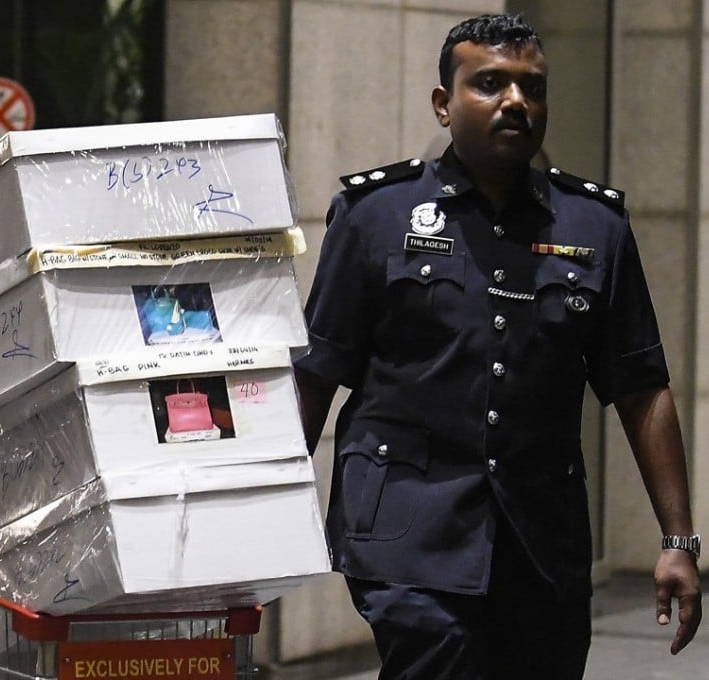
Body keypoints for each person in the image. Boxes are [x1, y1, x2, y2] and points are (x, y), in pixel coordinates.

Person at [295, 13, 702, 679]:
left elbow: (641, 386)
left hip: (544, 543)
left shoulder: (594, 227)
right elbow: (316, 372)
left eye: (531, 88)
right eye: (489, 84)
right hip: (408, 537)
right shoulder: (377, 216)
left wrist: (678, 540)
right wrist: (258, 526)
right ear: (444, 104)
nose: (515, 101)